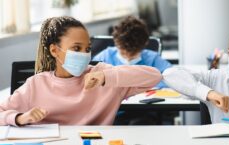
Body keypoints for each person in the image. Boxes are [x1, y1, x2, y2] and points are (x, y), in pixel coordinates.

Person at [0, 16, 162, 127]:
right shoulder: (36, 84)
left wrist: (107, 76)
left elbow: (155, 76)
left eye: (87, 49)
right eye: (76, 48)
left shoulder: (104, 76)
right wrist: (19, 118)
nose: (84, 54)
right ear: (55, 51)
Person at [93, 16, 171, 88]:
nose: (128, 58)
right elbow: (90, 76)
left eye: (133, 54)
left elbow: (172, 78)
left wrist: (149, 82)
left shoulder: (152, 59)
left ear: (145, 44)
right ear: (116, 43)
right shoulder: (105, 57)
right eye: (123, 53)